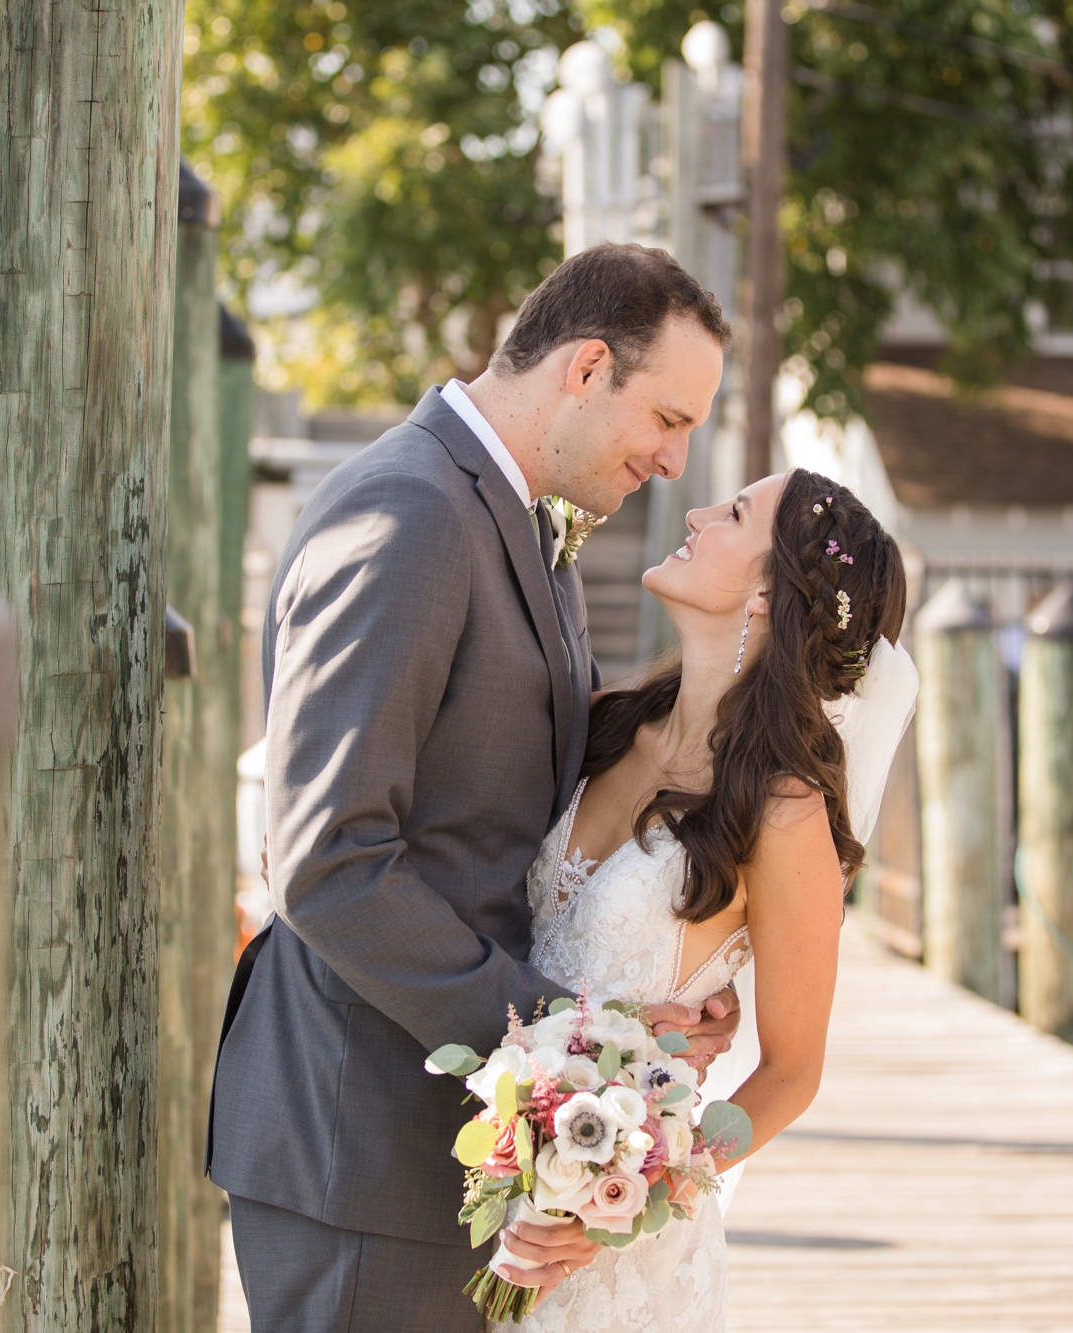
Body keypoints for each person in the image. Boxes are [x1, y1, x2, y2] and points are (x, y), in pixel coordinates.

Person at [207, 243, 744, 1332]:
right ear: (587, 367)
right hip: (356, 1142)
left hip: (448, 1150)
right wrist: (575, 1037)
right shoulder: (405, 515)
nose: (675, 462)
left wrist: (658, 990)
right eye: (670, 420)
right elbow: (327, 861)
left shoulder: (522, 527)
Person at [510, 468, 913, 1332]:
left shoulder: (784, 810)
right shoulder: (609, 718)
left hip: (615, 1244)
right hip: (490, 1185)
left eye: (731, 513)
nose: (695, 513)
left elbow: (792, 1073)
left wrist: (631, 1181)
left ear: (770, 593)